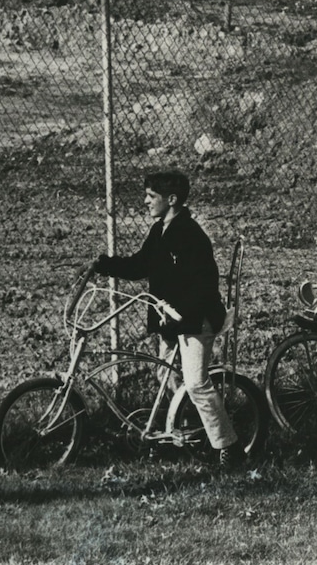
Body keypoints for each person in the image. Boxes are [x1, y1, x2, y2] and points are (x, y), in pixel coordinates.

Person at [92, 170, 246, 470]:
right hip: (172, 321)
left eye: (151, 197)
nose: (145, 202)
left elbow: (204, 285)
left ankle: (229, 446)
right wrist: (104, 265)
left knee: (197, 382)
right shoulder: (160, 229)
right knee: (165, 374)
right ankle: (187, 431)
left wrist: (181, 314)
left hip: (195, 320)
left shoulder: (191, 235)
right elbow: (140, 265)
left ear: (171, 200)